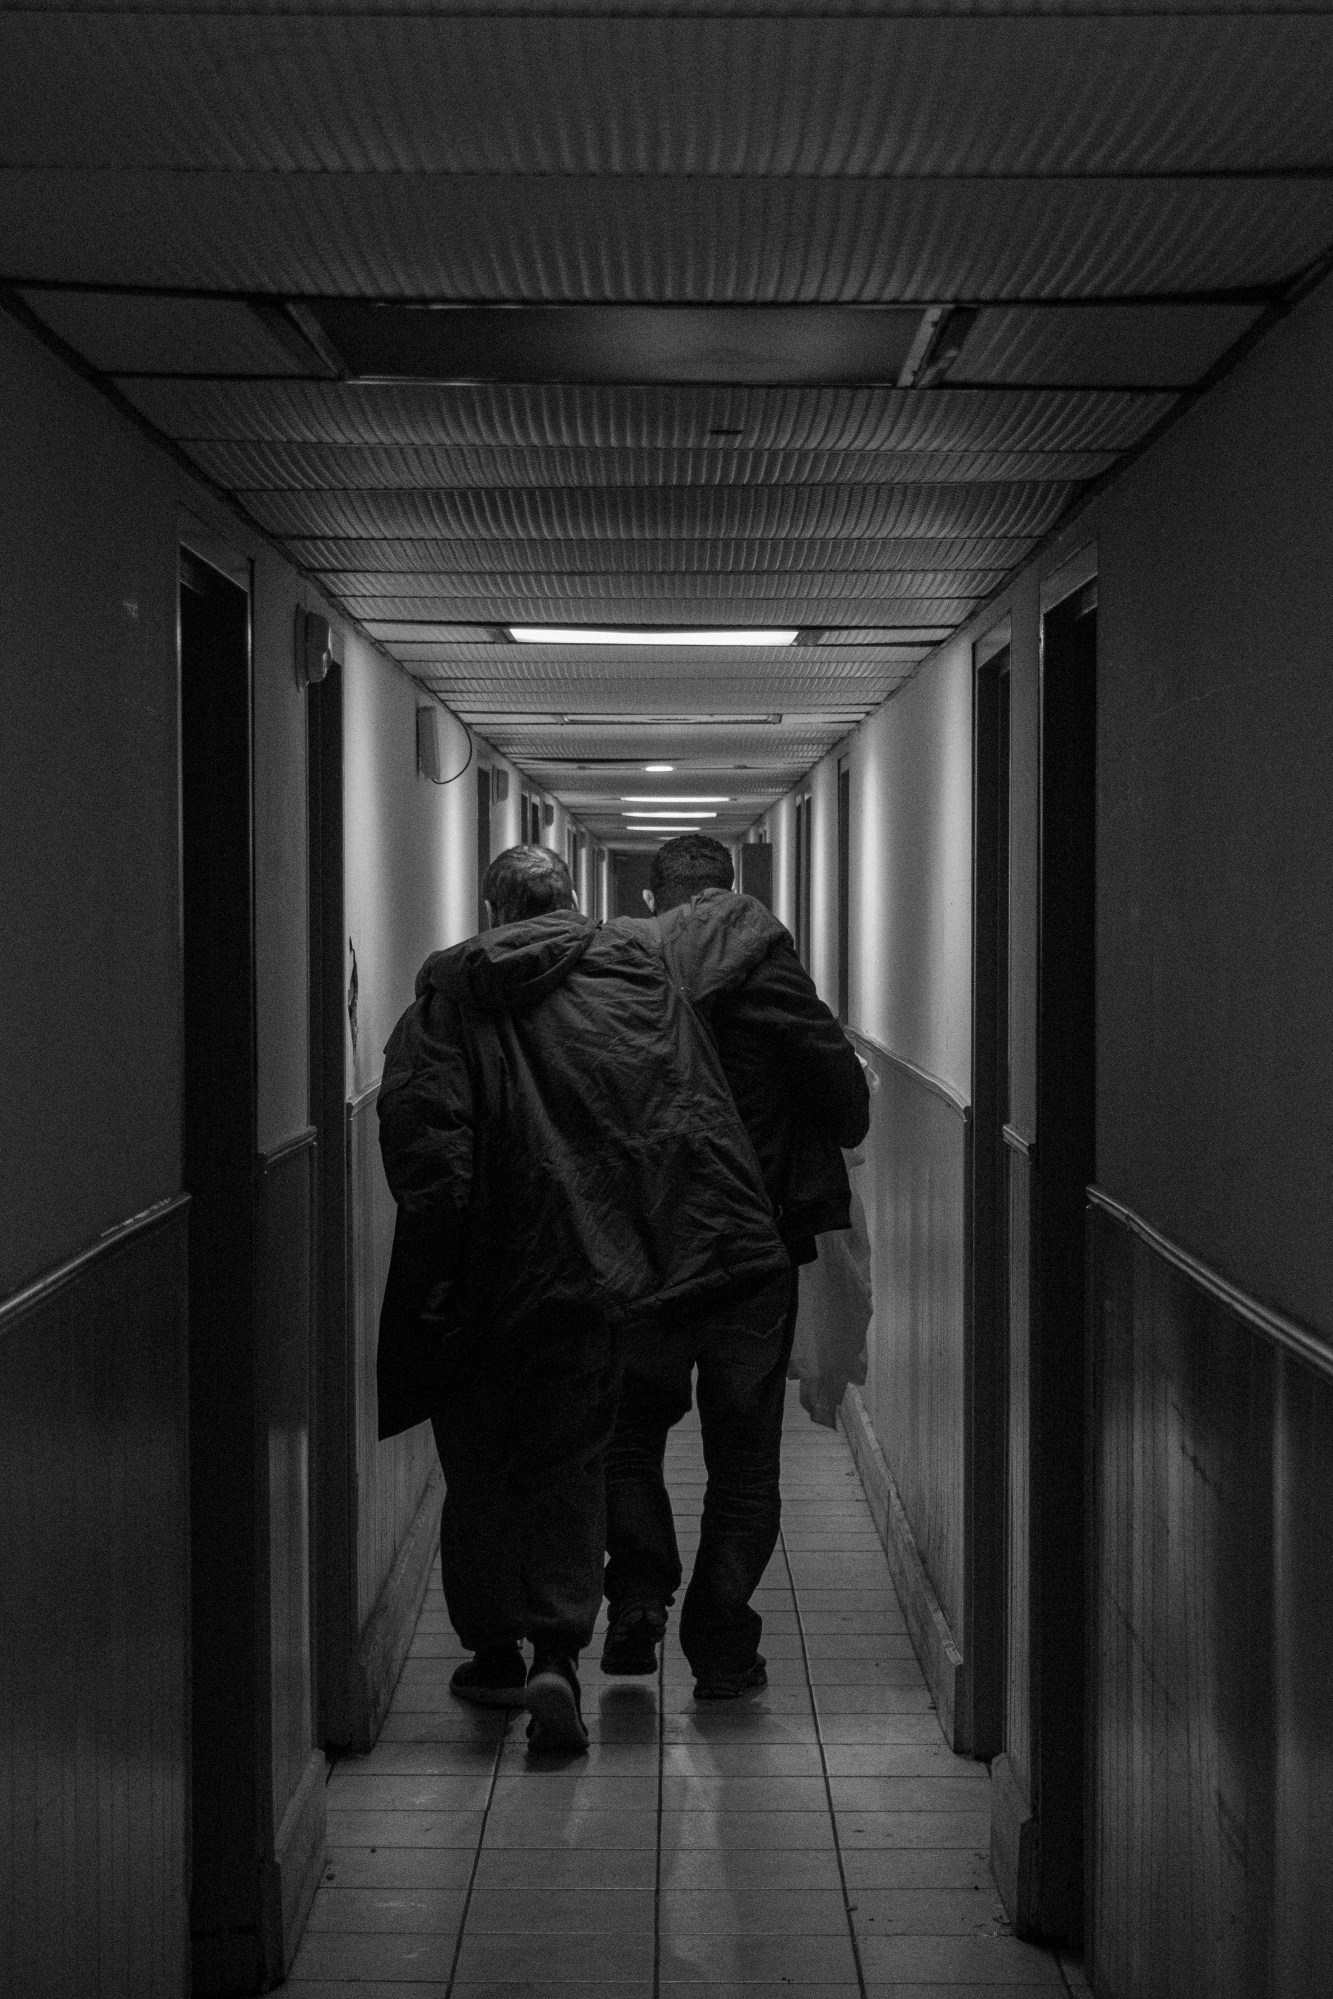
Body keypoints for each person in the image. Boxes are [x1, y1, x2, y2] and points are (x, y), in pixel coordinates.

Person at [375, 845, 788, 1749]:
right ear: (571, 900)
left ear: (490, 907)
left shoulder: (445, 1004)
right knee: (571, 1463)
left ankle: (491, 1654)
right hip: (591, 1268)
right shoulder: (630, 986)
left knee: (480, 1470)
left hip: (484, 1275)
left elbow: (425, 1147)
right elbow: (681, 1117)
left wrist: (437, 1278)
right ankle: (558, 1652)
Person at [601, 833, 870, 1697]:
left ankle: (639, 1592)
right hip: (753, 1247)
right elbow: (847, 1107)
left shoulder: (615, 975)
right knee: (744, 1457)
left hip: (640, 1246)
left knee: (630, 1436)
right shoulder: (770, 971)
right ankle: (720, 1645)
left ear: (654, 897)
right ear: (729, 889)